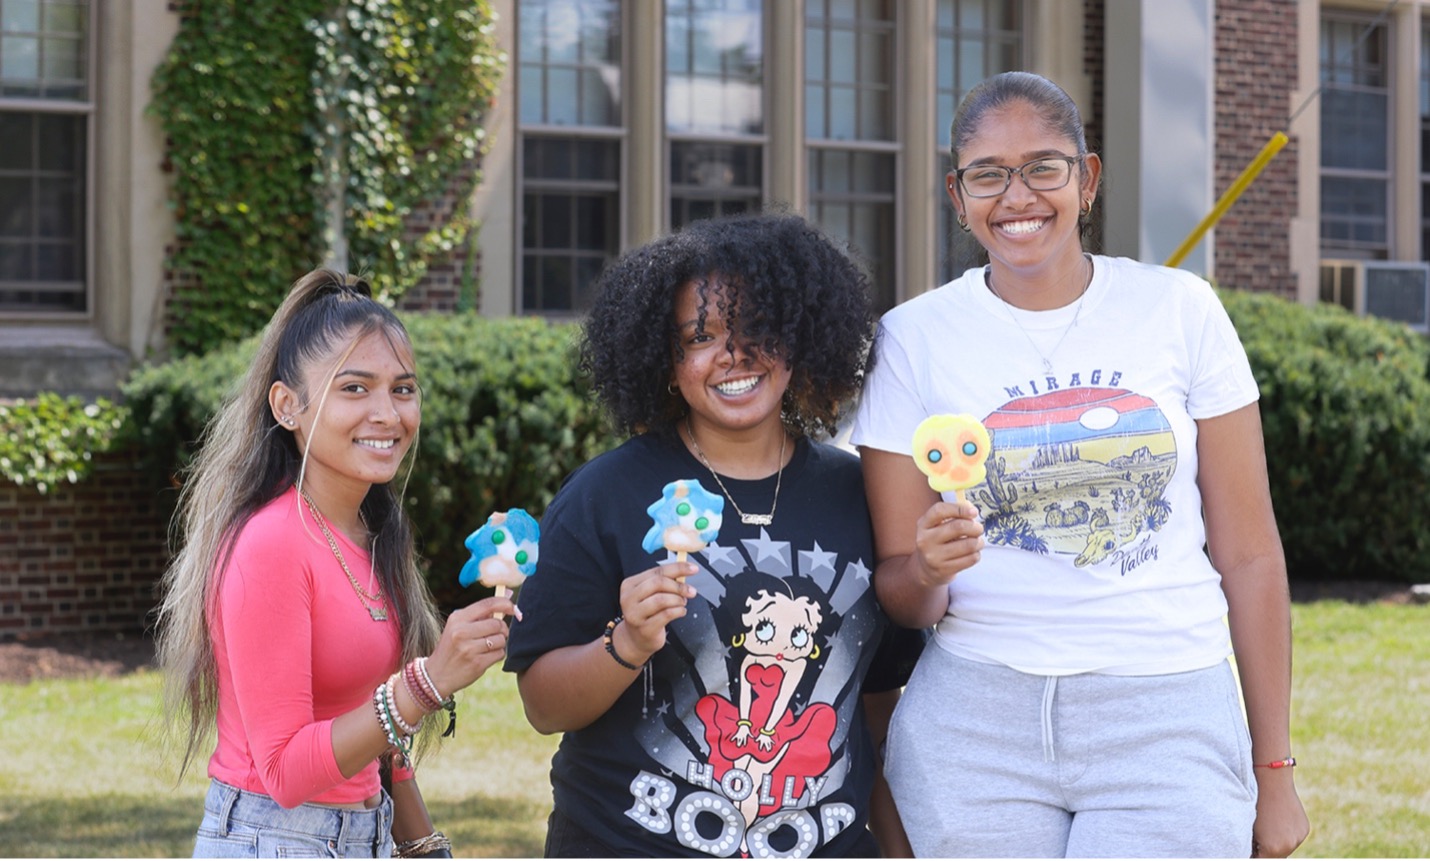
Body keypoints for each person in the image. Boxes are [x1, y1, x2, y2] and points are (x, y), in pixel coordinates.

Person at [850, 71, 1310, 858]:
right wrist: (927, 569)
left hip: (1168, 706)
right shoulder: (910, 339)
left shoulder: (1180, 310)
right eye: (988, 174)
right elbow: (902, 594)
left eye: (1043, 167)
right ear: (957, 196)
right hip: (975, 716)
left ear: (1087, 178)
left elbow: (1251, 554)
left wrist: (1275, 768)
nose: (1016, 195)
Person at [504, 212, 926, 858]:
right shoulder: (605, 496)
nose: (734, 354)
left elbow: (874, 706)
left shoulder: (858, 495)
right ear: (667, 364)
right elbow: (542, 704)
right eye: (700, 336)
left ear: (800, 338)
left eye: (757, 327)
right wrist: (627, 642)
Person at [154, 269, 515, 858]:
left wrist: (424, 845)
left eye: (403, 389)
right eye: (354, 388)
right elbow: (286, 772)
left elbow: (377, 746)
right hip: (274, 839)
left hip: (362, 836)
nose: (387, 413)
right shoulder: (272, 543)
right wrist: (430, 681)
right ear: (287, 406)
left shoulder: (371, 535)